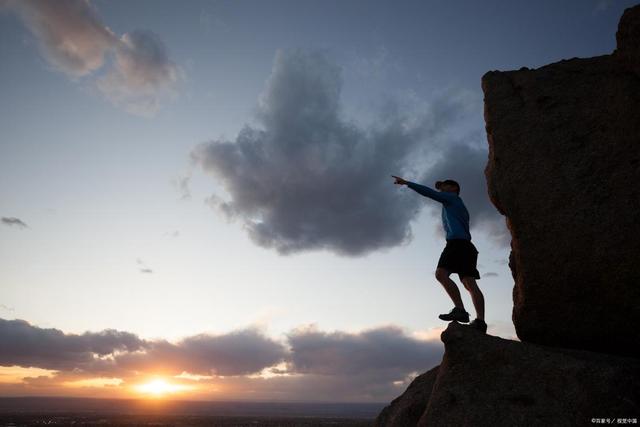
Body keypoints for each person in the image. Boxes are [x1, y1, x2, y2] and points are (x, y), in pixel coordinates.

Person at [392, 175, 487, 333]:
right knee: (469, 282)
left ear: (454, 189)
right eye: (441, 187)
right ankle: (480, 321)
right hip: (465, 246)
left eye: (445, 186)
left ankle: (460, 310)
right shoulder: (455, 204)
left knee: (441, 274)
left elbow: (430, 193)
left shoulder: (452, 199)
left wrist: (407, 183)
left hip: (457, 244)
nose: (442, 189)